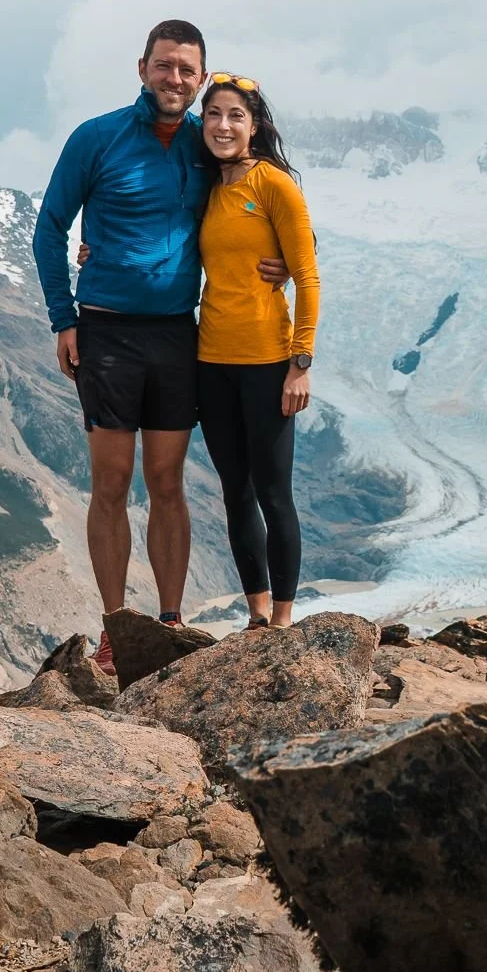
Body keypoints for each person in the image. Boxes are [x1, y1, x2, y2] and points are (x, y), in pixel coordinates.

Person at [31, 20, 286, 673]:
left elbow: (271, 198)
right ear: (142, 67)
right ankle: (117, 629)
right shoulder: (97, 138)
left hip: (178, 335)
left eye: (187, 70)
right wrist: (65, 319)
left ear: (201, 79)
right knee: (111, 482)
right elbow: (50, 226)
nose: (176, 79)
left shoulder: (209, 147)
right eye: (165, 66)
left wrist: (281, 260)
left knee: (167, 482)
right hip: (107, 332)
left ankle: (169, 623)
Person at [195, 73, 319, 629]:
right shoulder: (206, 185)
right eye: (214, 114)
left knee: (273, 494)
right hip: (211, 361)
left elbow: (309, 277)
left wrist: (300, 364)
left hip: (269, 364)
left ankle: (285, 622)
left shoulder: (274, 185)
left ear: (254, 125)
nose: (223, 126)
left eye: (235, 116)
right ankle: (257, 614)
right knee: (234, 494)